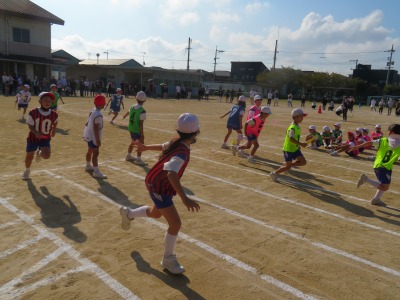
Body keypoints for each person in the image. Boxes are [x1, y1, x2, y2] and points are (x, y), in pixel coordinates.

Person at [118, 113, 201, 274]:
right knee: (175, 224)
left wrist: (145, 147)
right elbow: (171, 173)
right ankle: (168, 259)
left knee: (156, 213)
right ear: (196, 132)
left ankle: (129, 214)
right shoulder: (182, 151)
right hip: (159, 186)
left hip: (157, 182)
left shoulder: (177, 141)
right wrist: (185, 199)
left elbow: (163, 146)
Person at [355, 124, 400, 206]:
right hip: (384, 167)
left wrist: (356, 147)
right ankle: (366, 179)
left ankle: (376, 199)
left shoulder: (383, 140)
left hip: (380, 165)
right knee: (385, 187)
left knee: (384, 183)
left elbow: (369, 142)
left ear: (391, 132)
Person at [22, 92, 58, 180]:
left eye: (50, 101)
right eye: (45, 100)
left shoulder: (54, 114)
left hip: (45, 138)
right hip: (33, 138)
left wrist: (53, 130)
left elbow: (55, 122)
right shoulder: (33, 112)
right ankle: (27, 170)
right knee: (29, 156)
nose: (47, 102)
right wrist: (35, 132)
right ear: (40, 101)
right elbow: (30, 125)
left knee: (46, 156)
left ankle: (39, 151)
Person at [270, 108, 308, 182]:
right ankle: (274, 173)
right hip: (289, 149)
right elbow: (291, 138)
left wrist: (299, 145)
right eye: (301, 116)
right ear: (296, 117)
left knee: (303, 162)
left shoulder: (297, 126)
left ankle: (287, 166)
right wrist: (301, 144)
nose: (302, 118)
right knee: (288, 166)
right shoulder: (292, 128)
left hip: (295, 148)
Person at [83, 94, 107, 179]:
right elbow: (95, 128)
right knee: (96, 153)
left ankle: (88, 165)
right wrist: (97, 140)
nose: (104, 104)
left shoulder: (93, 111)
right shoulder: (98, 115)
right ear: (101, 104)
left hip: (88, 134)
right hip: (93, 136)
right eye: (104, 103)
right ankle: (96, 171)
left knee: (90, 150)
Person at [122, 91, 148, 166]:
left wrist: (124, 116)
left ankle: (129, 155)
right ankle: (138, 159)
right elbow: (141, 124)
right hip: (137, 129)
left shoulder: (132, 106)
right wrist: (142, 134)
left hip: (131, 128)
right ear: (145, 100)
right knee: (140, 143)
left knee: (133, 142)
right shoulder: (142, 111)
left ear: (136, 99)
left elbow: (128, 111)